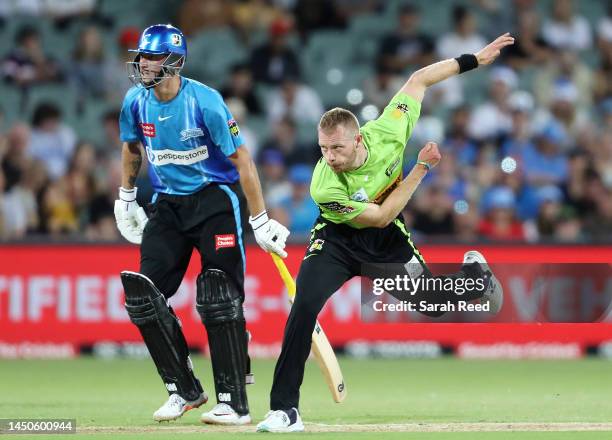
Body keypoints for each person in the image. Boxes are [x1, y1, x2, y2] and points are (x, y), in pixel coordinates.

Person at [257, 33, 514, 433]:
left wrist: (473, 61)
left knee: (432, 306)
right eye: (324, 148)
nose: (330, 157)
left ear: (358, 138)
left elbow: (419, 79)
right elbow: (375, 215)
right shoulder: (323, 184)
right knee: (303, 307)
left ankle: (475, 278)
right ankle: (284, 410)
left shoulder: (390, 129)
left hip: (386, 242)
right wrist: (420, 169)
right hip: (338, 242)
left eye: (337, 149)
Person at [113, 24, 289, 425]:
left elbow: (242, 159)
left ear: (174, 63)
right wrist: (126, 195)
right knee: (143, 296)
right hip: (168, 205)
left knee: (218, 294)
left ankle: (234, 403)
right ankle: (183, 391)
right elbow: (130, 146)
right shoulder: (135, 101)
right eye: (142, 56)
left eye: (153, 57)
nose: (143, 64)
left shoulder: (205, 102)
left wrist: (259, 219)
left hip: (215, 202)